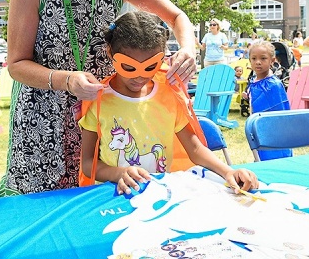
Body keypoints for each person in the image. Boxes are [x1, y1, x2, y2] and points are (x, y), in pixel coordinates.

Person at [0, 0, 197, 196]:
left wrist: (187, 49)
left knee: (105, 208)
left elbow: (177, 18)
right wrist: (65, 80)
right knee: (43, 213)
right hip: (45, 123)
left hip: (107, 116)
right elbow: (17, 65)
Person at [79, 11, 258, 195]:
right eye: (129, 67)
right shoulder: (98, 101)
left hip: (159, 195)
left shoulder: (168, 94)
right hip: (113, 196)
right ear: (110, 53)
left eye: (150, 67)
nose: (140, 76)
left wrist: (228, 171)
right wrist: (118, 173)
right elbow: (87, 164)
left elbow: (195, 148)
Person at [242, 41, 291, 160]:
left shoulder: (273, 85)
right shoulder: (254, 80)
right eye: (254, 58)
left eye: (263, 58)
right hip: (258, 130)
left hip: (273, 134)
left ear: (272, 61)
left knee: (274, 158)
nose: (258, 62)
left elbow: (281, 113)